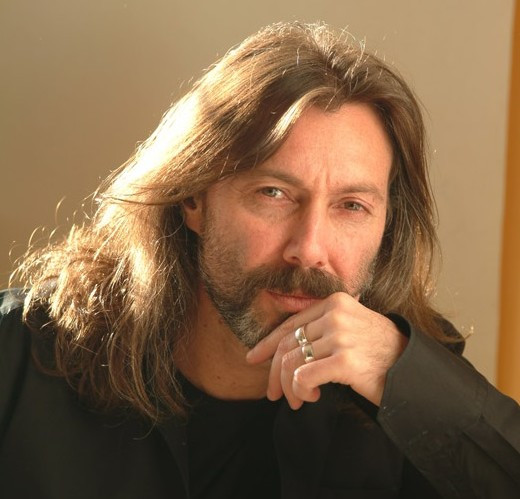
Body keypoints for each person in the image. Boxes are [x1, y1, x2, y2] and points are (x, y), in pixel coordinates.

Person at [0, 21, 519, 499]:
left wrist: (402, 376)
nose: (309, 248)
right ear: (194, 197)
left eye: (351, 206)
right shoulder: (18, 354)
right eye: (274, 193)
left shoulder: (410, 378)